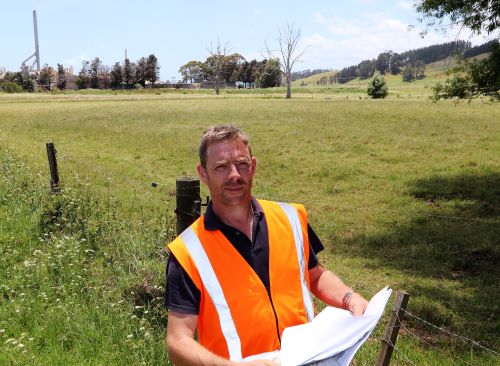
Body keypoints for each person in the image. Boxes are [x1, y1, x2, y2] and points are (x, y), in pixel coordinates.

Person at [165, 125, 368, 365]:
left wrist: (348, 297)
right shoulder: (188, 251)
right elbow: (178, 341)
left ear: (253, 166)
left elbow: (315, 275)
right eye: (221, 167)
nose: (234, 175)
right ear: (203, 173)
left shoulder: (290, 217)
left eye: (241, 164)